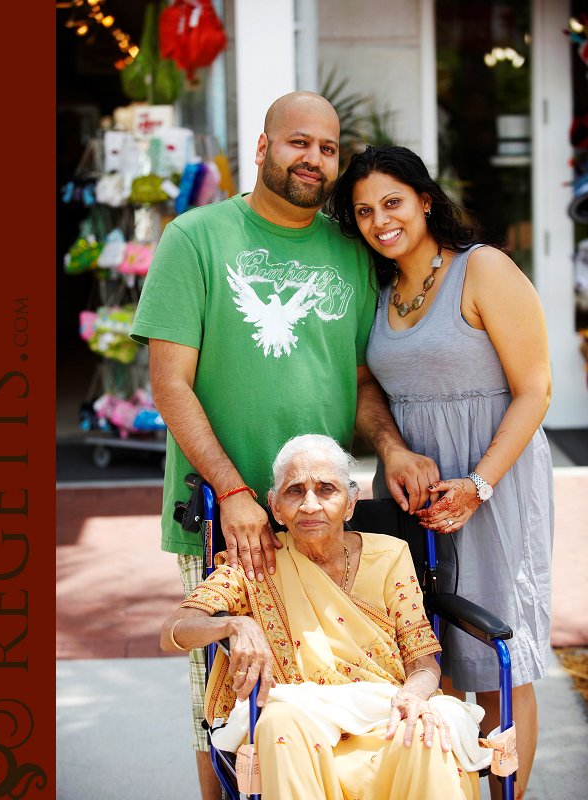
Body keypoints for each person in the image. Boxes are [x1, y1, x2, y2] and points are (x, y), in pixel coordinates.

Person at [129, 95, 438, 799]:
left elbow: (359, 378)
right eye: (300, 143)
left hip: (325, 513)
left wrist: (388, 446)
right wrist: (235, 492)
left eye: (328, 149)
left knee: (324, 696)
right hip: (227, 515)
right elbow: (170, 384)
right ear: (264, 145)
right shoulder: (196, 236)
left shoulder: (348, 247)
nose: (315, 160)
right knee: (230, 704)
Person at [328, 144, 553, 800]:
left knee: (499, 667)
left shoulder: (483, 269)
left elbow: (536, 389)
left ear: (425, 200)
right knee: (427, 656)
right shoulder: (378, 289)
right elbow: (367, 387)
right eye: (365, 211)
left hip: (494, 483)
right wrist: (393, 451)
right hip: (410, 494)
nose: (380, 220)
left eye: (392, 202)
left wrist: (479, 486)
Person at [162, 434, 491, 800]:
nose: (310, 505)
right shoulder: (254, 565)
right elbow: (174, 629)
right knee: (277, 720)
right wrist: (234, 623)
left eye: (326, 489)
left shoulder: (390, 556)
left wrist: (413, 696)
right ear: (274, 506)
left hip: (382, 715)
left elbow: (424, 664)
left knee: (426, 733)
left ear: (351, 503)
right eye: (294, 491)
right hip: (301, 725)